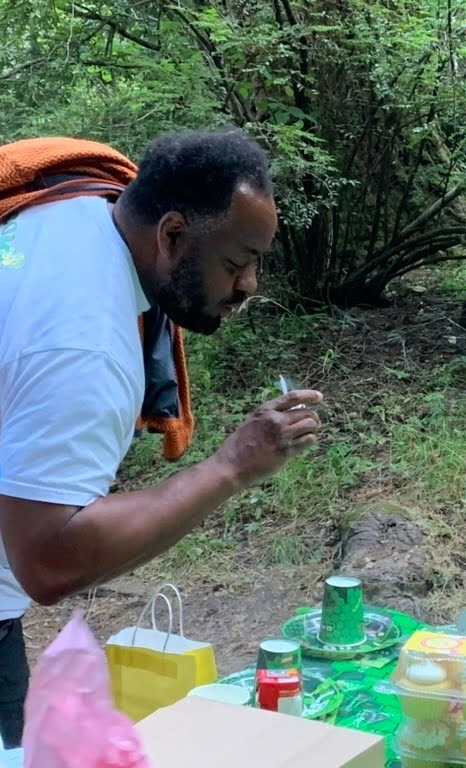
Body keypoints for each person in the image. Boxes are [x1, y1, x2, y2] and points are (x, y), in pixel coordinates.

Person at [0, 129, 322, 747]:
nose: (250, 284)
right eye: (236, 262)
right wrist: (231, 466)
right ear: (171, 234)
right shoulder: (84, 349)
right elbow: (47, 559)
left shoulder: (77, 206)